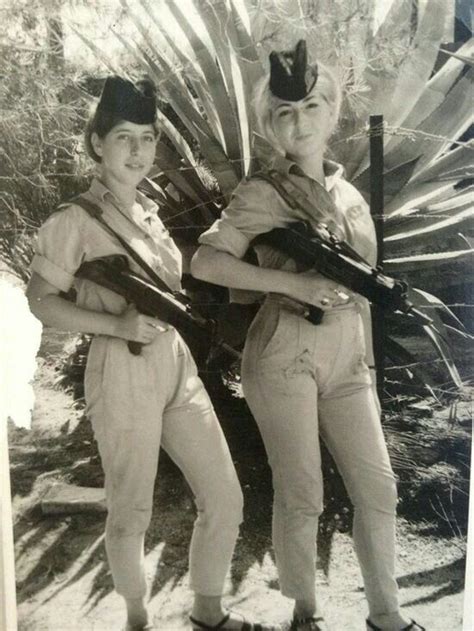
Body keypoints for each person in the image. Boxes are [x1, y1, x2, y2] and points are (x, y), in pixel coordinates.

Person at [191, 41, 425, 631]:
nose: (300, 122)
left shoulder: (348, 196)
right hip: (282, 353)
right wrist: (292, 285)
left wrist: (367, 362)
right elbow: (206, 264)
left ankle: (386, 614)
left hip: (348, 357)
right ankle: (305, 614)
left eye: (312, 107)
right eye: (285, 113)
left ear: (332, 112)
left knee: (378, 487)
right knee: (303, 493)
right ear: (271, 122)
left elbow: (366, 290)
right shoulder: (262, 193)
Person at [26, 75, 270, 631]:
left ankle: (208, 611)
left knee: (225, 496)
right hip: (122, 368)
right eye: (122, 138)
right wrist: (115, 322)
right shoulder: (74, 220)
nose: (137, 151)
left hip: (176, 366)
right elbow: (41, 303)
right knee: (131, 510)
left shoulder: (150, 212)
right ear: (96, 144)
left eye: (147, 137)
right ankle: (138, 619)